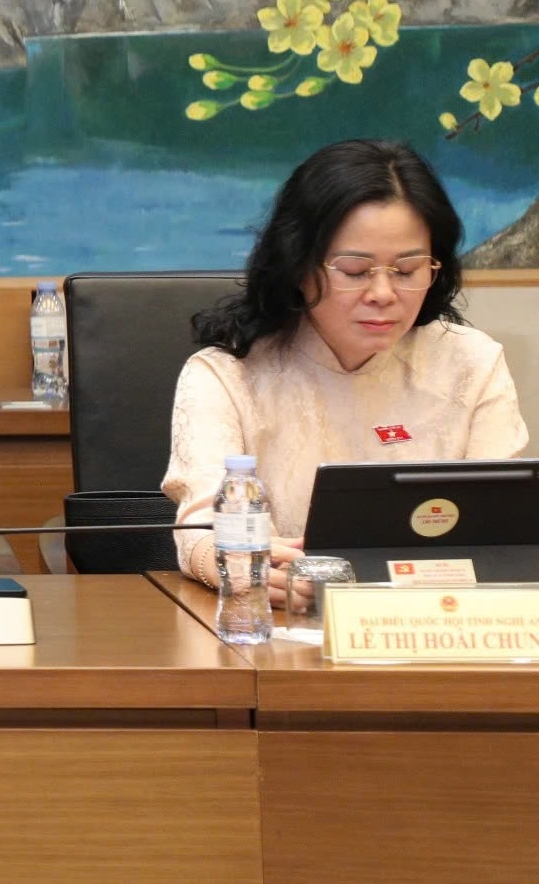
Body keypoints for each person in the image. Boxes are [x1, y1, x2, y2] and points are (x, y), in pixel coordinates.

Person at [163, 139, 527, 600]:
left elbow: (504, 532)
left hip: (436, 619)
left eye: (407, 270)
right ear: (299, 267)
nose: (383, 294)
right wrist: (236, 564)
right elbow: (200, 532)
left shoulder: (472, 364)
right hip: (286, 621)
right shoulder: (226, 376)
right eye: (355, 271)